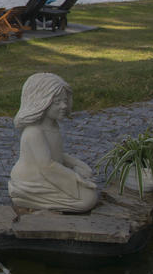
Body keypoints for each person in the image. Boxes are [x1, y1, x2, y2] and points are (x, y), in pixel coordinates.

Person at [8, 73, 98, 212]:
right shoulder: (34, 132)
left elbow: (57, 155)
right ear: (41, 102)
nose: (63, 106)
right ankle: (25, 196)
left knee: (89, 192)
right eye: (57, 102)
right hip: (32, 180)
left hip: (50, 174)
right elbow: (47, 166)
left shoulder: (53, 126)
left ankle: (33, 198)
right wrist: (76, 178)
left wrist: (78, 165)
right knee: (88, 199)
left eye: (64, 101)